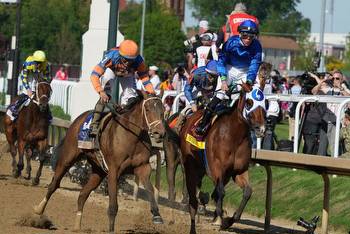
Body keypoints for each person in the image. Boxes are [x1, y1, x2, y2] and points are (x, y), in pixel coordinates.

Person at [195, 20, 262, 135]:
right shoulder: (231, 43)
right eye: (245, 36)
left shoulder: (256, 46)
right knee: (220, 95)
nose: (248, 39)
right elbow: (221, 62)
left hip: (246, 71)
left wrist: (249, 81)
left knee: (257, 93)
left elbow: (254, 65)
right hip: (229, 69)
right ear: (240, 34)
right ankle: (203, 124)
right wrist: (224, 80)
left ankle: (259, 124)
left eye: (251, 37)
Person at [86, 39, 155, 145]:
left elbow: (145, 79)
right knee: (106, 95)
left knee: (131, 98)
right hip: (111, 70)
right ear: (120, 55)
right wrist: (101, 91)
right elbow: (94, 74)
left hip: (127, 74)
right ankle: (93, 126)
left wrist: (152, 93)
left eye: (131, 60)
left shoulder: (139, 61)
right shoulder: (112, 56)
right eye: (125, 59)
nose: (128, 63)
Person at [174, 60, 219, 131]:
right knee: (187, 109)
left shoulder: (221, 76)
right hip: (197, 88)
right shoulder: (195, 75)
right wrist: (192, 104)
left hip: (210, 92)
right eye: (211, 76)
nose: (212, 79)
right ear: (206, 72)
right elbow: (187, 90)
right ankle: (177, 128)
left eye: (215, 76)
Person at [7, 50, 51, 121]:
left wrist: (43, 84)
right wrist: (28, 89)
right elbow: (23, 77)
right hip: (28, 77)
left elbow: (47, 78)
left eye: (41, 62)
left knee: (43, 96)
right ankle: (15, 108)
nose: (39, 64)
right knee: (27, 94)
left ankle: (48, 114)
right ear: (34, 60)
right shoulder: (28, 63)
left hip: (39, 76)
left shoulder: (46, 65)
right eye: (37, 62)